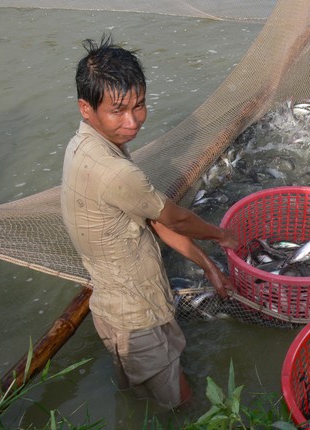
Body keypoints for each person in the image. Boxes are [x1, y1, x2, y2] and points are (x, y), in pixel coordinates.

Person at [60, 34, 238, 409]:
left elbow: (155, 222)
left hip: (111, 309)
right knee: (182, 406)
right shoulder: (116, 173)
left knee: (139, 398)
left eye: (139, 106)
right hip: (136, 318)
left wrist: (207, 267)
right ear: (85, 108)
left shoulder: (83, 144)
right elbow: (177, 219)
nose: (132, 122)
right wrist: (222, 237)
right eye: (118, 110)